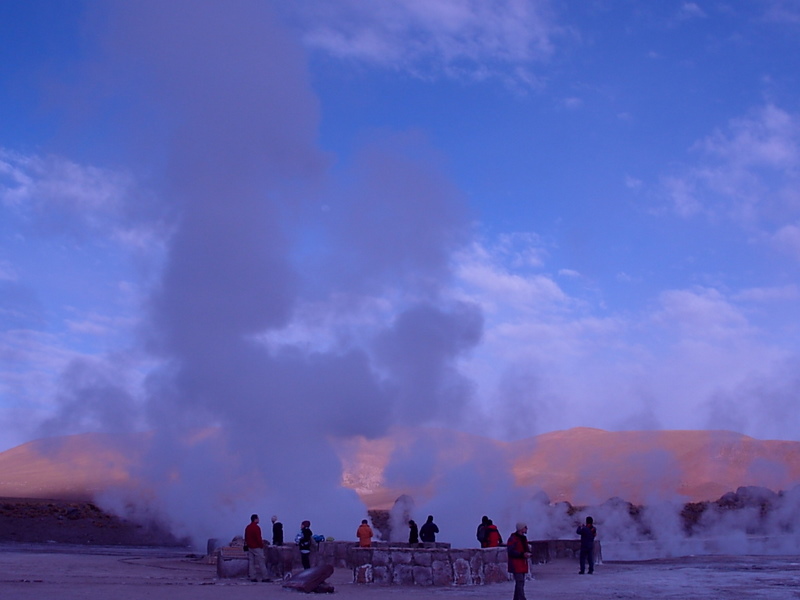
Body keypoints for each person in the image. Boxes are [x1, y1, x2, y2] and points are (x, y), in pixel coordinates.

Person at [507, 522, 532, 600]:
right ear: (521, 529)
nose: (526, 529)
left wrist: (528, 553)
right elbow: (510, 551)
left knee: (520, 583)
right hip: (516, 564)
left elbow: (525, 549)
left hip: (522, 564)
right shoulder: (513, 539)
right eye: (525, 527)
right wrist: (522, 554)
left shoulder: (523, 538)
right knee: (520, 582)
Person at [244, 514, 270, 582]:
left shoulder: (248, 527)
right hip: (257, 547)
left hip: (250, 547)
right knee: (261, 562)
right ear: (255, 519)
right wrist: (261, 545)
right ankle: (265, 577)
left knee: (251, 563)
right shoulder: (256, 527)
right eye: (258, 518)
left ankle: (252, 577)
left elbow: (246, 537)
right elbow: (258, 538)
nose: (259, 520)